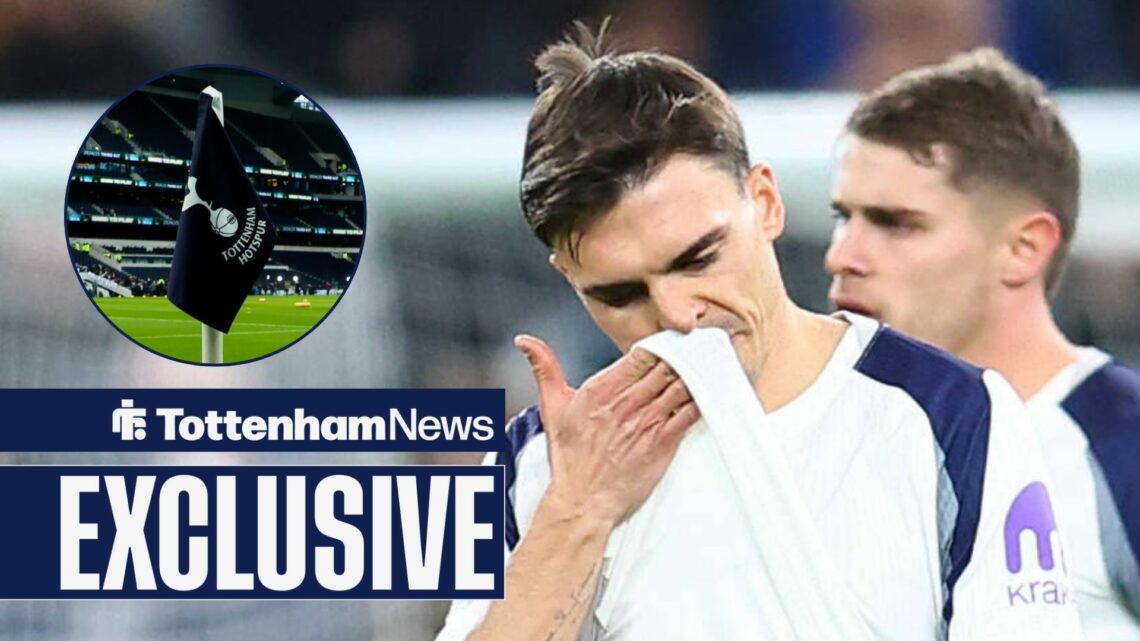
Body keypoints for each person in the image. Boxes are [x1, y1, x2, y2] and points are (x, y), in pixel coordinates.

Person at [437, 24, 1082, 641]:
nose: (678, 316)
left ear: (766, 202)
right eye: (620, 294)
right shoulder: (542, 464)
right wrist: (578, 511)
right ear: (569, 280)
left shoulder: (953, 416)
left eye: (698, 259)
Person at [826, 48, 1140, 639]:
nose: (841, 256)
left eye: (896, 222)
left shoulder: (1121, 447)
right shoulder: (820, 445)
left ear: (1023, 248)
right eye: (843, 216)